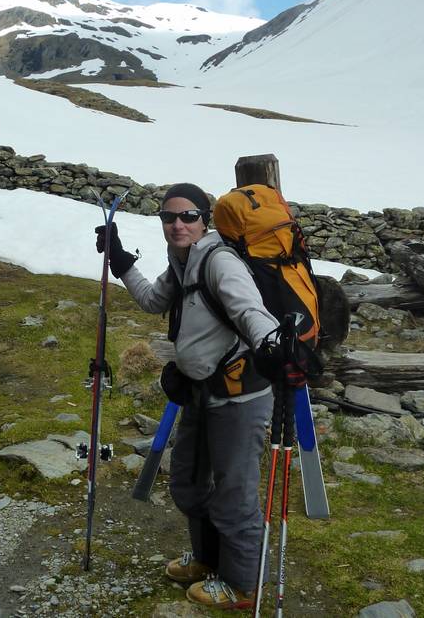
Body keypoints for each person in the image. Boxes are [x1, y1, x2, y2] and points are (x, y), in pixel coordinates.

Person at [95, 183, 281, 610]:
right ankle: (206, 559)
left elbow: (249, 311)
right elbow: (150, 300)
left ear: (205, 220)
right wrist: (121, 261)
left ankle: (242, 584)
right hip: (201, 393)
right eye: (168, 217)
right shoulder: (181, 263)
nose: (178, 224)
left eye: (188, 216)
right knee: (190, 482)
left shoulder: (219, 263)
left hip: (239, 397)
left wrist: (272, 346)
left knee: (234, 492)